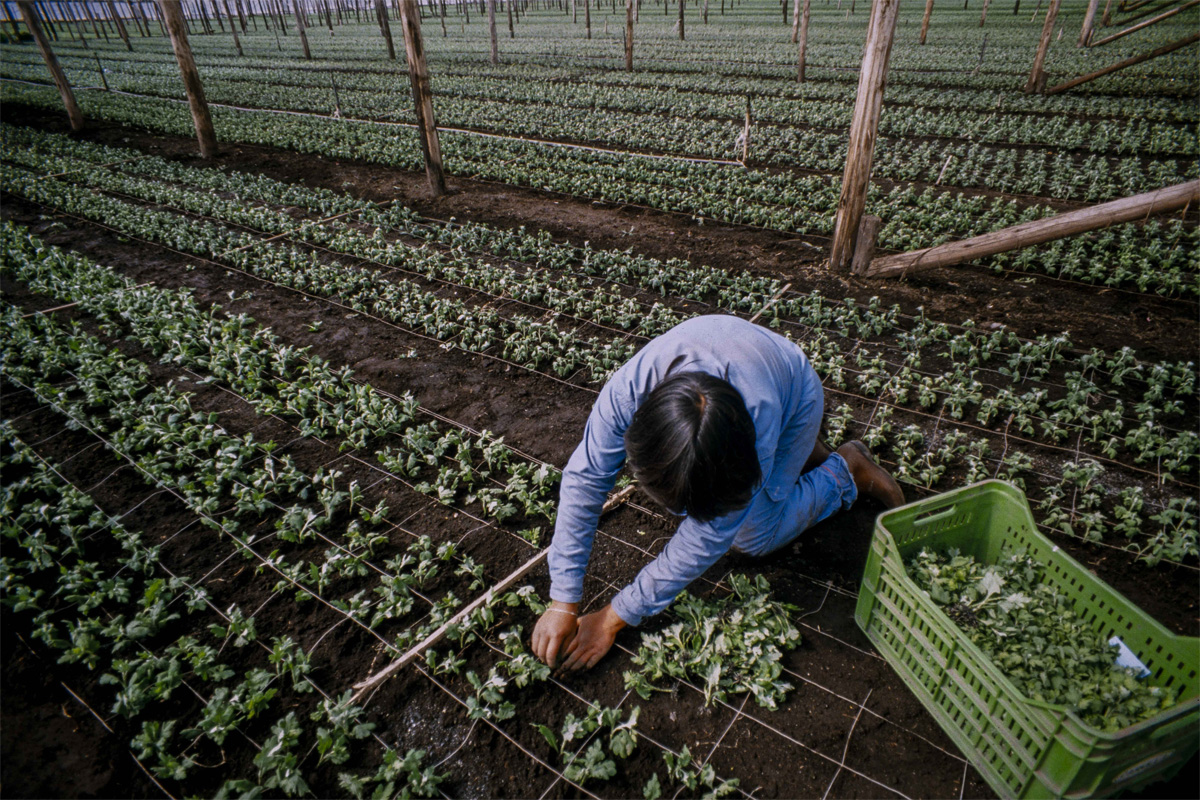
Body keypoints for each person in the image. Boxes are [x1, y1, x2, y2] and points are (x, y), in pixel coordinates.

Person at [530, 315, 905, 672]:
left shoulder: (753, 430)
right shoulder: (627, 394)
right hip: (750, 360)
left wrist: (614, 617)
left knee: (753, 537)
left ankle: (846, 470)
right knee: (710, 495)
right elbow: (585, 480)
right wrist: (563, 600)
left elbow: (708, 537)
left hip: (792, 389)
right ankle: (805, 453)